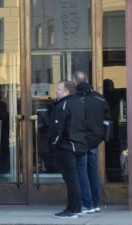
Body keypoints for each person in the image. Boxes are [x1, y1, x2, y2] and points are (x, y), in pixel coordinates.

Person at [48, 81, 87, 218]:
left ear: (66, 92)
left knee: (71, 179)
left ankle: (72, 209)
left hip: (66, 147)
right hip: (79, 146)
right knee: (75, 178)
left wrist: (53, 143)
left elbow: (58, 128)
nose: (56, 91)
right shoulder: (80, 103)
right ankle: (77, 208)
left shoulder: (63, 105)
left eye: (58, 89)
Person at [74, 71, 110, 214]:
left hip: (81, 140)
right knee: (92, 171)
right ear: (87, 80)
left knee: (81, 170)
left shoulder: (75, 99)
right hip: (95, 140)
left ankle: (86, 203)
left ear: (75, 83)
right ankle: (95, 203)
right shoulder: (100, 98)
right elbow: (107, 120)